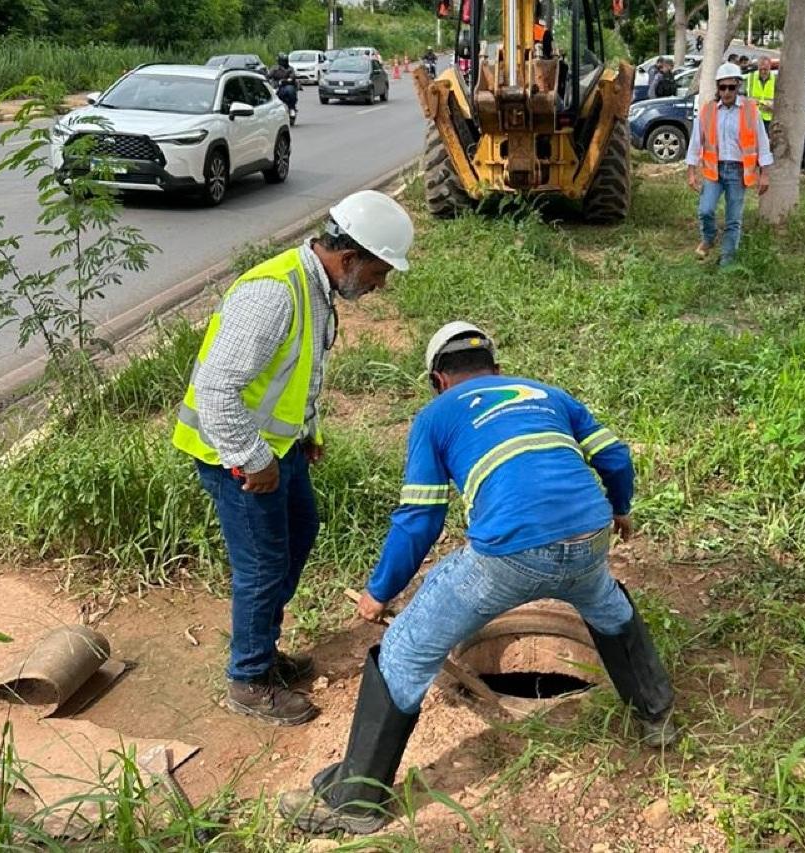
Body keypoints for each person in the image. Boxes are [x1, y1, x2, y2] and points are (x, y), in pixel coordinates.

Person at [279, 323, 678, 835]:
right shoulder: (547, 394)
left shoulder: (437, 415)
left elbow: (420, 518)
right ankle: (656, 717)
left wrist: (379, 591)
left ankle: (354, 803)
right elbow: (616, 456)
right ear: (495, 368)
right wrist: (620, 510)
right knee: (608, 607)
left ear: (439, 379)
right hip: (589, 535)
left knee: (405, 648)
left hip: (509, 553)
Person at [172, 191, 415, 726]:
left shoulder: (317, 287)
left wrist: (308, 431)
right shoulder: (273, 293)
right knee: (262, 566)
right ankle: (249, 678)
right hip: (233, 454)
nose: (379, 286)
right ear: (349, 257)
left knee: (300, 533)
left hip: (279, 449)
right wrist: (250, 458)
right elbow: (216, 389)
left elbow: (294, 374)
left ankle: (262, 647)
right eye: (377, 274)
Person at [686, 62, 773, 267]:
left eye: (731, 87)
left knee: (733, 219)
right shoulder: (707, 111)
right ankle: (709, 237)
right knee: (705, 210)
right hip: (713, 170)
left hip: (738, 171)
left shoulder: (751, 111)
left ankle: (727, 260)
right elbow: (695, 142)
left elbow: (762, 142)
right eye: (722, 87)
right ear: (718, 87)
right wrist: (691, 171)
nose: (726, 92)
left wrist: (765, 174)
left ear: (738, 86)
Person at [745, 58, 777, 133]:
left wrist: (773, 107)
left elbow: (779, 99)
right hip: (753, 116)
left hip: (768, 119)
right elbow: (748, 97)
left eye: (765, 69)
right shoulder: (751, 77)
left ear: (770, 67)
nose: (763, 72)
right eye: (761, 69)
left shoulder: (775, 79)